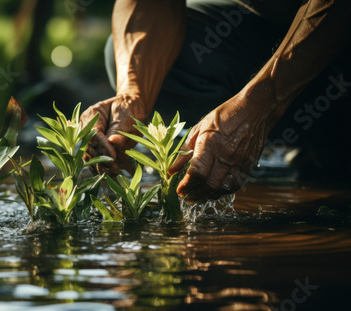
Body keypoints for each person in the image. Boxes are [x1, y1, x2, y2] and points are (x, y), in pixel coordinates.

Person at [79, 0, 351, 202]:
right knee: (145, 64)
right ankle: (317, 135)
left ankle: (330, 133)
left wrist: (257, 106)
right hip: (276, 31)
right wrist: (132, 94)